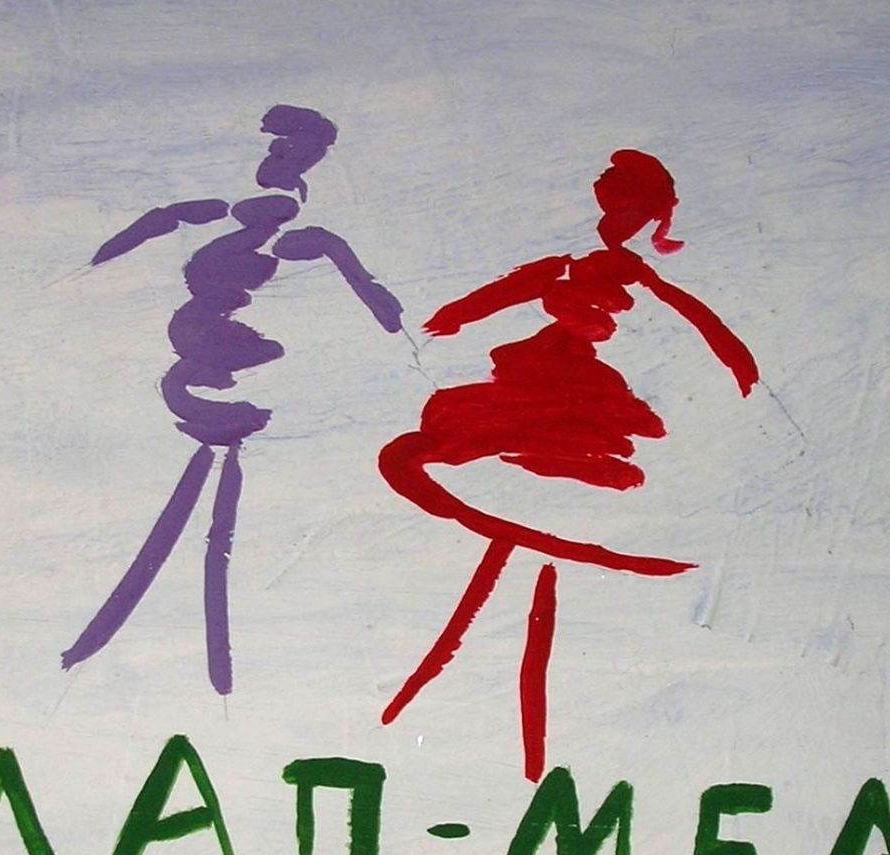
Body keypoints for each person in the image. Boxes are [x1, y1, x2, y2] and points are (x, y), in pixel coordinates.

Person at [379, 149, 758, 781]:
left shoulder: (629, 283)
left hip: (576, 434)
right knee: (512, 559)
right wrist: (451, 321)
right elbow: (486, 303)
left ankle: (509, 741)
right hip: (535, 425)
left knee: (528, 563)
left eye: (624, 199)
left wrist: (734, 369)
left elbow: (711, 336)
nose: (613, 209)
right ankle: (444, 712)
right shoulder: (582, 274)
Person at [63, 105, 404, 694]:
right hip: (200, 355)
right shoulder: (239, 225)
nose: (294, 164)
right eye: (292, 151)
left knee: (212, 523)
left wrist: (376, 300)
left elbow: (169, 225)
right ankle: (154, 657)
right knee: (204, 522)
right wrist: (101, 257)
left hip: (206, 364)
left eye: (305, 153)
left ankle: (205, 673)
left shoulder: (282, 235)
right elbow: (165, 222)